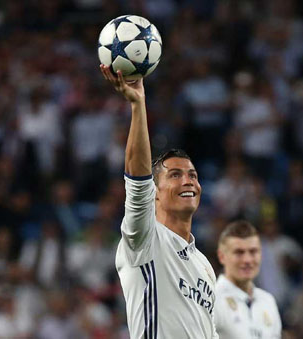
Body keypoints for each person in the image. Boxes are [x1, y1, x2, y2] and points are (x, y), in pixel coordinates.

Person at [99, 65, 218, 338]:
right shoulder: (145, 239)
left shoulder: (203, 265)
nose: (188, 181)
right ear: (155, 191)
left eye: (193, 175)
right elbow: (137, 182)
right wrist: (138, 105)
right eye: (175, 175)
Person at [214, 220, 282, 339]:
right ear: (221, 256)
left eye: (253, 252)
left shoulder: (268, 301)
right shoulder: (211, 299)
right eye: (239, 252)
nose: (247, 260)